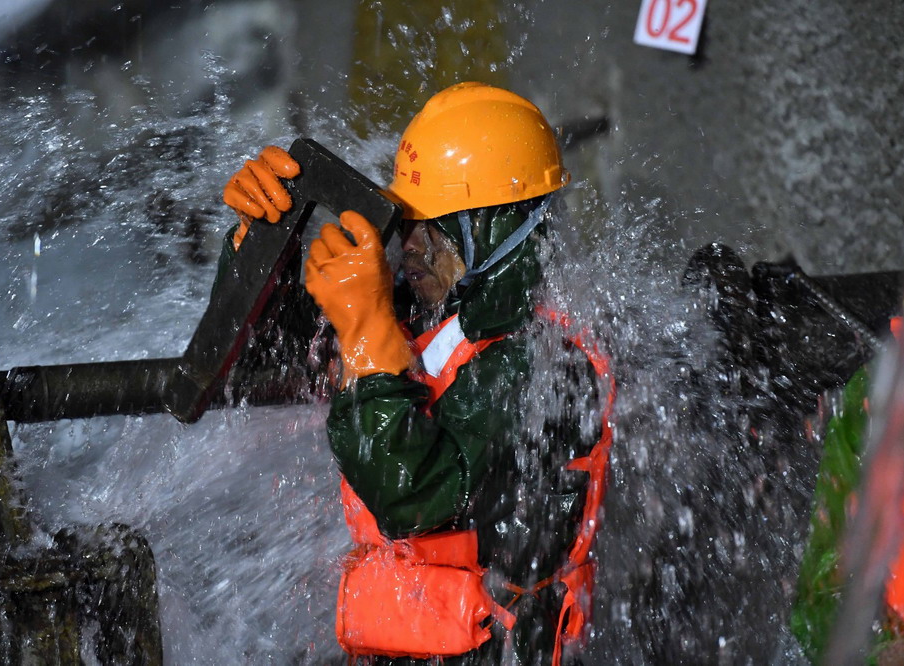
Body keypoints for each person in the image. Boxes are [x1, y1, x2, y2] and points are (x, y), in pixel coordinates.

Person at [221, 81, 612, 664]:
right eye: (408, 224)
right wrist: (258, 251)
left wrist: (366, 334)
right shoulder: (429, 312)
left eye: (437, 228)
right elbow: (259, 366)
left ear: (499, 231)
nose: (411, 249)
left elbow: (414, 494)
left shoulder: (545, 367)